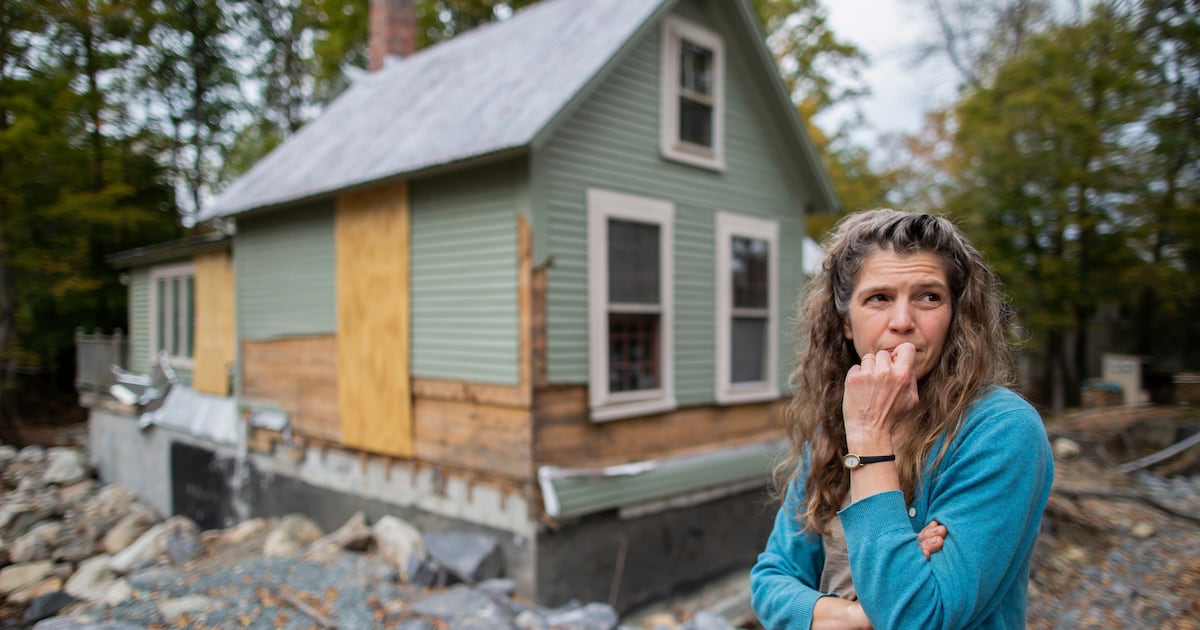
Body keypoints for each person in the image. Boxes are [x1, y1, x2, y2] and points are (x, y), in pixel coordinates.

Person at [750, 209, 1053, 629]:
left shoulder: (999, 430)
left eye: (929, 297)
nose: (902, 322)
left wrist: (870, 440)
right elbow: (770, 581)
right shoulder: (834, 428)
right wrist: (860, 616)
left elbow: (918, 618)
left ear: (956, 317)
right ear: (846, 325)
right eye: (879, 298)